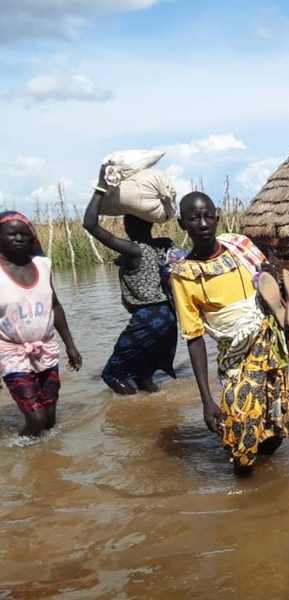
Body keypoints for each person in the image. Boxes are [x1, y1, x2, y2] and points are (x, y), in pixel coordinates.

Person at [170, 192, 289, 475]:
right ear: (182, 224)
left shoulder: (241, 248)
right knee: (241, 433)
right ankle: (244, 488)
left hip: (270, 348)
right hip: (236, 359)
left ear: (217, 217)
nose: (202, 223)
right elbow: (193, 337)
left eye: (207, 216)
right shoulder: (184, 274)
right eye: (193, 218)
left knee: (275, 431)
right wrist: (206, 399)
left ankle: (267, 500)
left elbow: (274, 290)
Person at [83, 169, 179, 395]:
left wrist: (100, 188)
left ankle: (133, 412)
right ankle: (155, 407)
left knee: (111, 374)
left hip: (147, 318)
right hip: (168, 317)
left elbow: (90, 224)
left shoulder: (135, 250)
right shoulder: (162, 245)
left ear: (130, 227)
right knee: (143, 375)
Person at [0, 211, 82, 437]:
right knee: (36, 418)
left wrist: (70, 346)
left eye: (24, 234)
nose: (18, 238)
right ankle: (21, 453)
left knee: (50, 417)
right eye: (11, 234)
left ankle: (47, 460)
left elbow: (54, 305)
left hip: (46, 348)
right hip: (11, 353)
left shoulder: (43, 265)